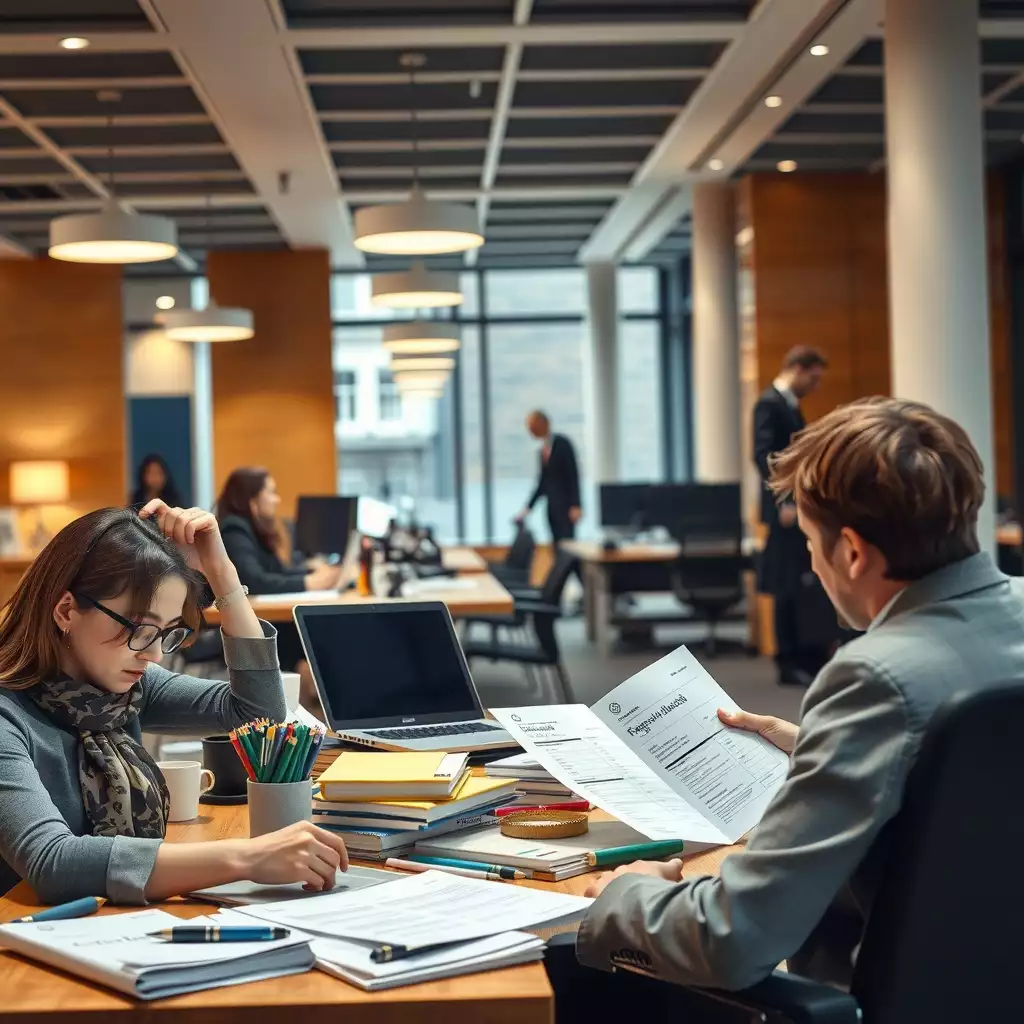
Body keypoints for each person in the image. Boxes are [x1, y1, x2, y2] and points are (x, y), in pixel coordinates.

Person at [573, 397, 1024, 991]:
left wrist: (626, 893)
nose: (810, 562)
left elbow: (733, 939)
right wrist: (819, 746)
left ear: (854, 552)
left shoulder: (872, 677)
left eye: (811, 539)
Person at [0, 501, 348, 903]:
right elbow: (52, 861)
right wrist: (247, 858)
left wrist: (222, 573)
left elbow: (257, 712)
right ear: (66, 611)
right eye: (141, 629)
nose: (154, 655)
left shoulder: (122, 690)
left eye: (167, 632)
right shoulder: (10, 714)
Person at [216, 468, 341, 709]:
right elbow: (255, 580)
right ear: (252, 498)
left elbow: (276, 572)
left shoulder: (252, 528)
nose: (277, 499)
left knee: (311, 634)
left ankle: (307, 709)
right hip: (235, 630)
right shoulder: (234, 529)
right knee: (311, 635)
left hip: (260, 621)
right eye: (271, 492)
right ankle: (306, 709)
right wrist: (308, 583)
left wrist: (310, 575)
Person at [753, 345, 829, 686]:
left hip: (795, 508)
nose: (815, 386)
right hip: (784, 511)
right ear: (797, 368)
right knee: (785, 586)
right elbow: (765, 456)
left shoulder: (789, 405)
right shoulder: (768, 403)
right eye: (812, 378)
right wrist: (785, 500)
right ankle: (786, 661)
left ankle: (803, 656)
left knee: (799, 586)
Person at [516, 410, 582, 546]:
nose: (531, 430)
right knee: (556, 545)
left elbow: (573, 475)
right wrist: (528, 508)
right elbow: (542, 483)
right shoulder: (542, 451)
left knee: (569, 546)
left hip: (566, 507)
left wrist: (576, 504)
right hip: (552, 507)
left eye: (533, 426)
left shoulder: (563, 444)